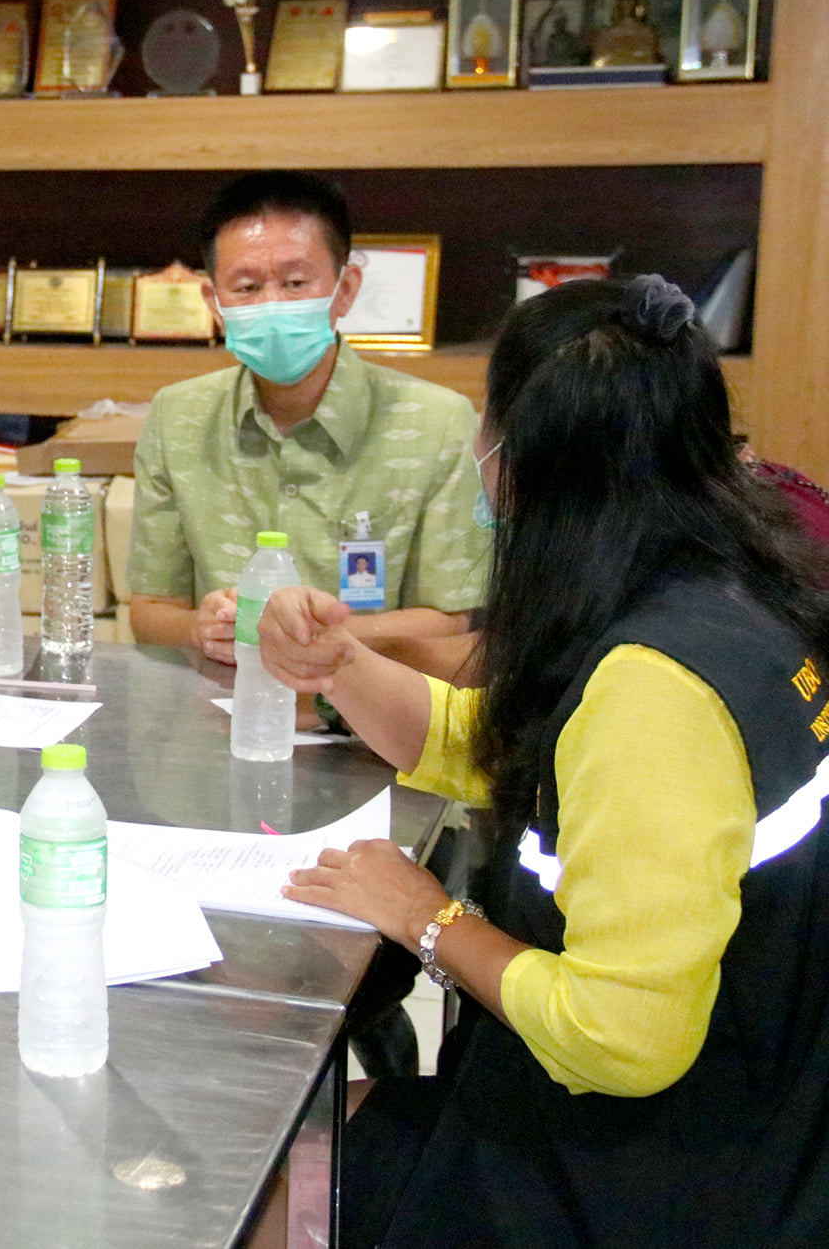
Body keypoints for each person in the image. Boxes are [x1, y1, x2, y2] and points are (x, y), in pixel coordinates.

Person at [259, 275, 829, 1245]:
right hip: (759, 1120)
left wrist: (427, 917)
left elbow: (622, 1040)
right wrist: (341, 664)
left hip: (669, 1174)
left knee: (268, 1173)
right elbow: (512, 753)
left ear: (524, 461)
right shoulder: (728, 584)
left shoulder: (654, 690)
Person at [127, 171, 488, 666]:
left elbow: (452, 618)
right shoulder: (177, 417)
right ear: (214, 303)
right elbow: (150, 611)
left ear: (345, 289)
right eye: (247, 287)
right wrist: (199, 627)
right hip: (226, 702)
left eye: (296, 283)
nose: (272, 304)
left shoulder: (438, 422)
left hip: (376, 705)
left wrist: (309, 635)